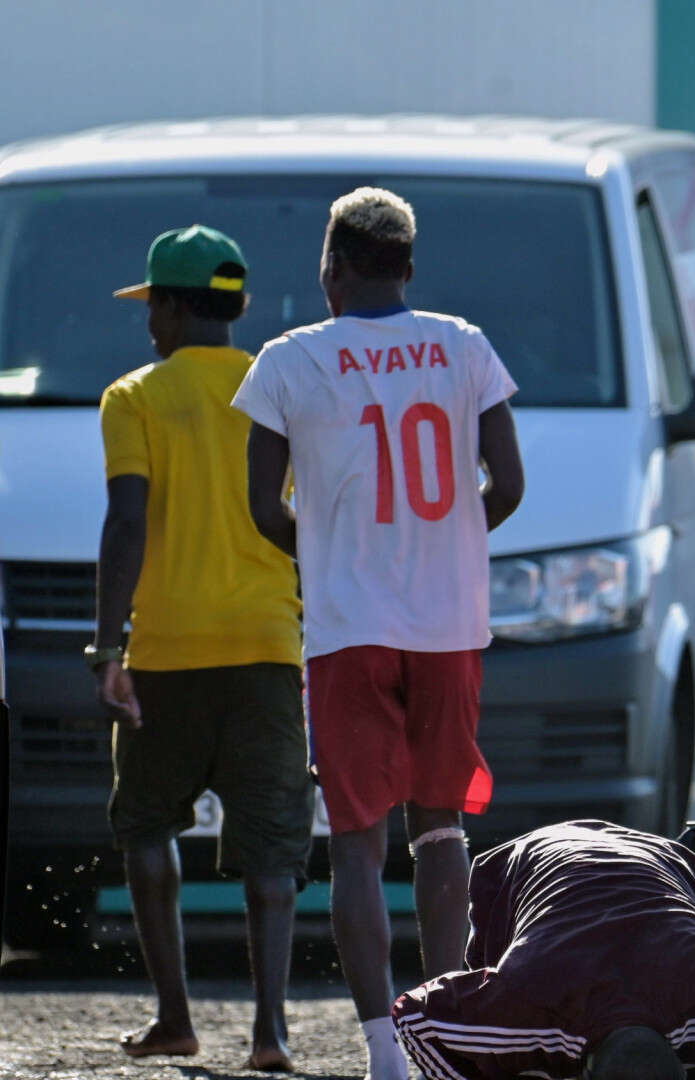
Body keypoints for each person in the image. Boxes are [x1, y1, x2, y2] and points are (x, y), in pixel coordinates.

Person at [233, 187, 526, 1080]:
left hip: (348, 627)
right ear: (408, 267)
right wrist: (438, 543)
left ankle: (382, 1050)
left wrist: (332, 552)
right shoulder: (464, 345)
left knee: (357, 842)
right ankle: (448, 1031)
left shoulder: (289, 361)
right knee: (439, 830)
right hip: (447, 624)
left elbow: (261, 510)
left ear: (331, 265)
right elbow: (507, 486)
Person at [88, 225, 309, 1070]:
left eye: (155, 307)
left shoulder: (134, 396)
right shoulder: (279, 388)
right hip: (266, 648)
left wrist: (108, 648)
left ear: (177, 308)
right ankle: (272, 1035)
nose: (150, 325)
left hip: (168, 656)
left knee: (146, 825)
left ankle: (176, 1019)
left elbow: (127, 521)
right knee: (272, 849)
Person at [392, 820, 695, 1080]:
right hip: (522, 866)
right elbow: (412, 1017)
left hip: (667, 862)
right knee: (501, 1058)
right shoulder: (527, 1009)